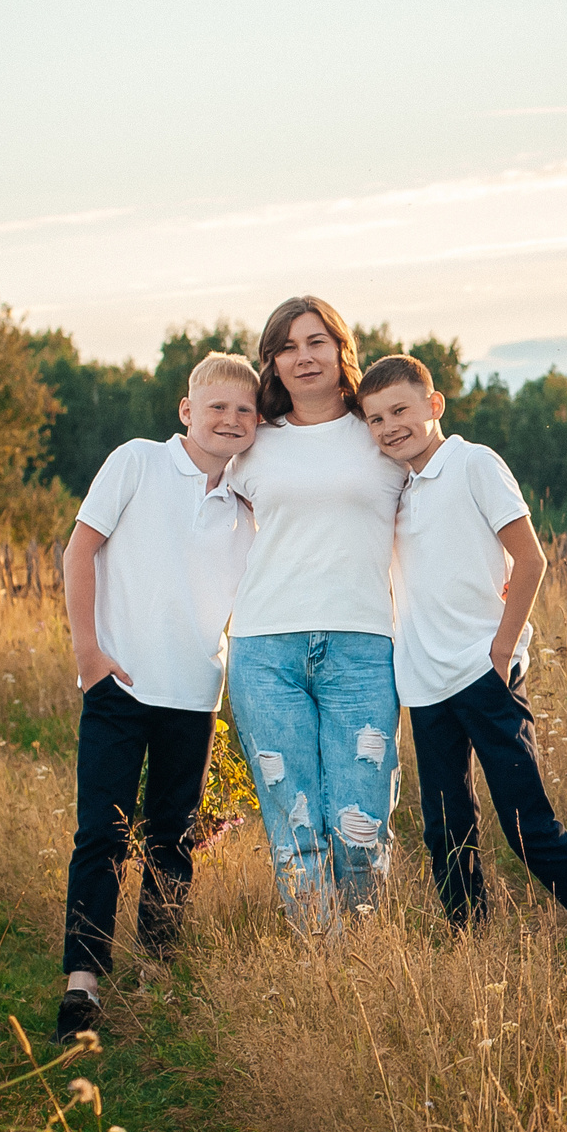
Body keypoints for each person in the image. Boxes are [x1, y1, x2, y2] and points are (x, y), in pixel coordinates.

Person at [354, 353, 567, 960]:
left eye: (400, 410)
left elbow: (531, 558)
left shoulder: (473, 463)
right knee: (445, 830)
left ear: (434, 406)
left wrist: (502, 646)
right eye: (375, 418)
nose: (388, 426)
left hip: (483, 674)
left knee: (526, 826)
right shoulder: (397, 492)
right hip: (425, 685)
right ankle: (474, 951)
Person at [55, 352, 260, 1042]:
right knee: (102, 835)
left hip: (195, 692)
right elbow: (79, 551)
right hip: (120, 682)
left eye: (244, 411)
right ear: (187, 411)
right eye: (217, 408)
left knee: (172, 840)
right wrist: (89, 653)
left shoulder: (248, 500)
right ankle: (83, 982)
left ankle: (159, 971)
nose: (229, 420)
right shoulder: (137, 462)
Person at [224, 296, 408, 934]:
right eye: (287, 347)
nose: (303, 358)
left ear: (341, 350)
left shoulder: (380, 431)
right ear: (271, 362)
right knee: (295, 827)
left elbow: (440, 501)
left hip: (362, 648)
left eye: (316, 343)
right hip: (264, 650)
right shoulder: (250, 442)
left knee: (359, 826)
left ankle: (362, 962)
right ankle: (317, 965)